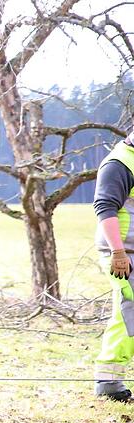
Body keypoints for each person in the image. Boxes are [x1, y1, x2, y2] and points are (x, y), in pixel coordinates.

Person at [93, 133, 134, 402]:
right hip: (124, 252)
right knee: (129, 310)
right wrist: (118, 252)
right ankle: (108, 382)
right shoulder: (119, 163)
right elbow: (104, 207)